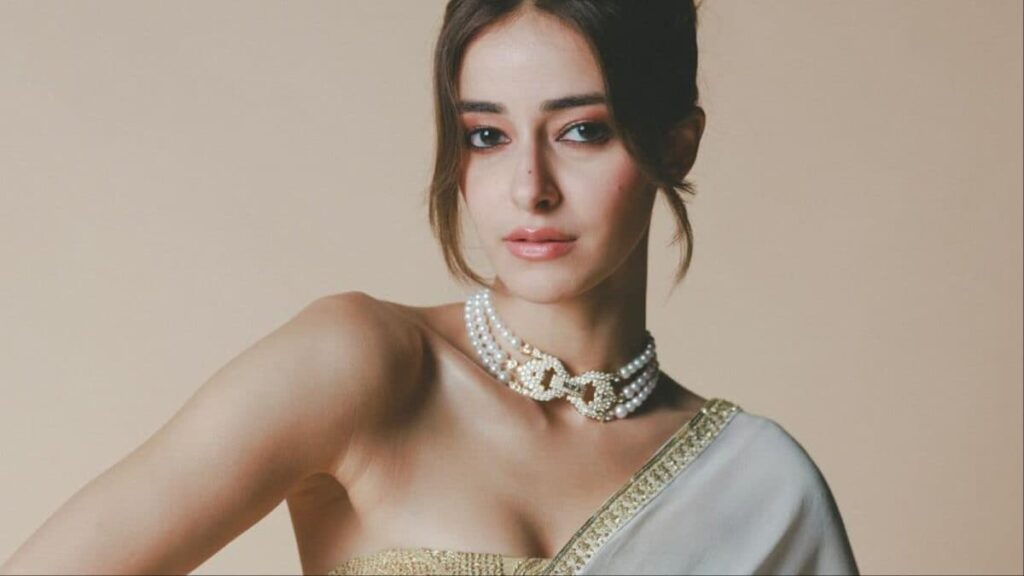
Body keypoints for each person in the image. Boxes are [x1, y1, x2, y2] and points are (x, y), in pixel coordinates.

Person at [1, 1, 859, 575]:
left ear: (676, 144)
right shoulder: (364, 366)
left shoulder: (762, 487)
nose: (529, 187)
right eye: (487, 135)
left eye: (582, 131)